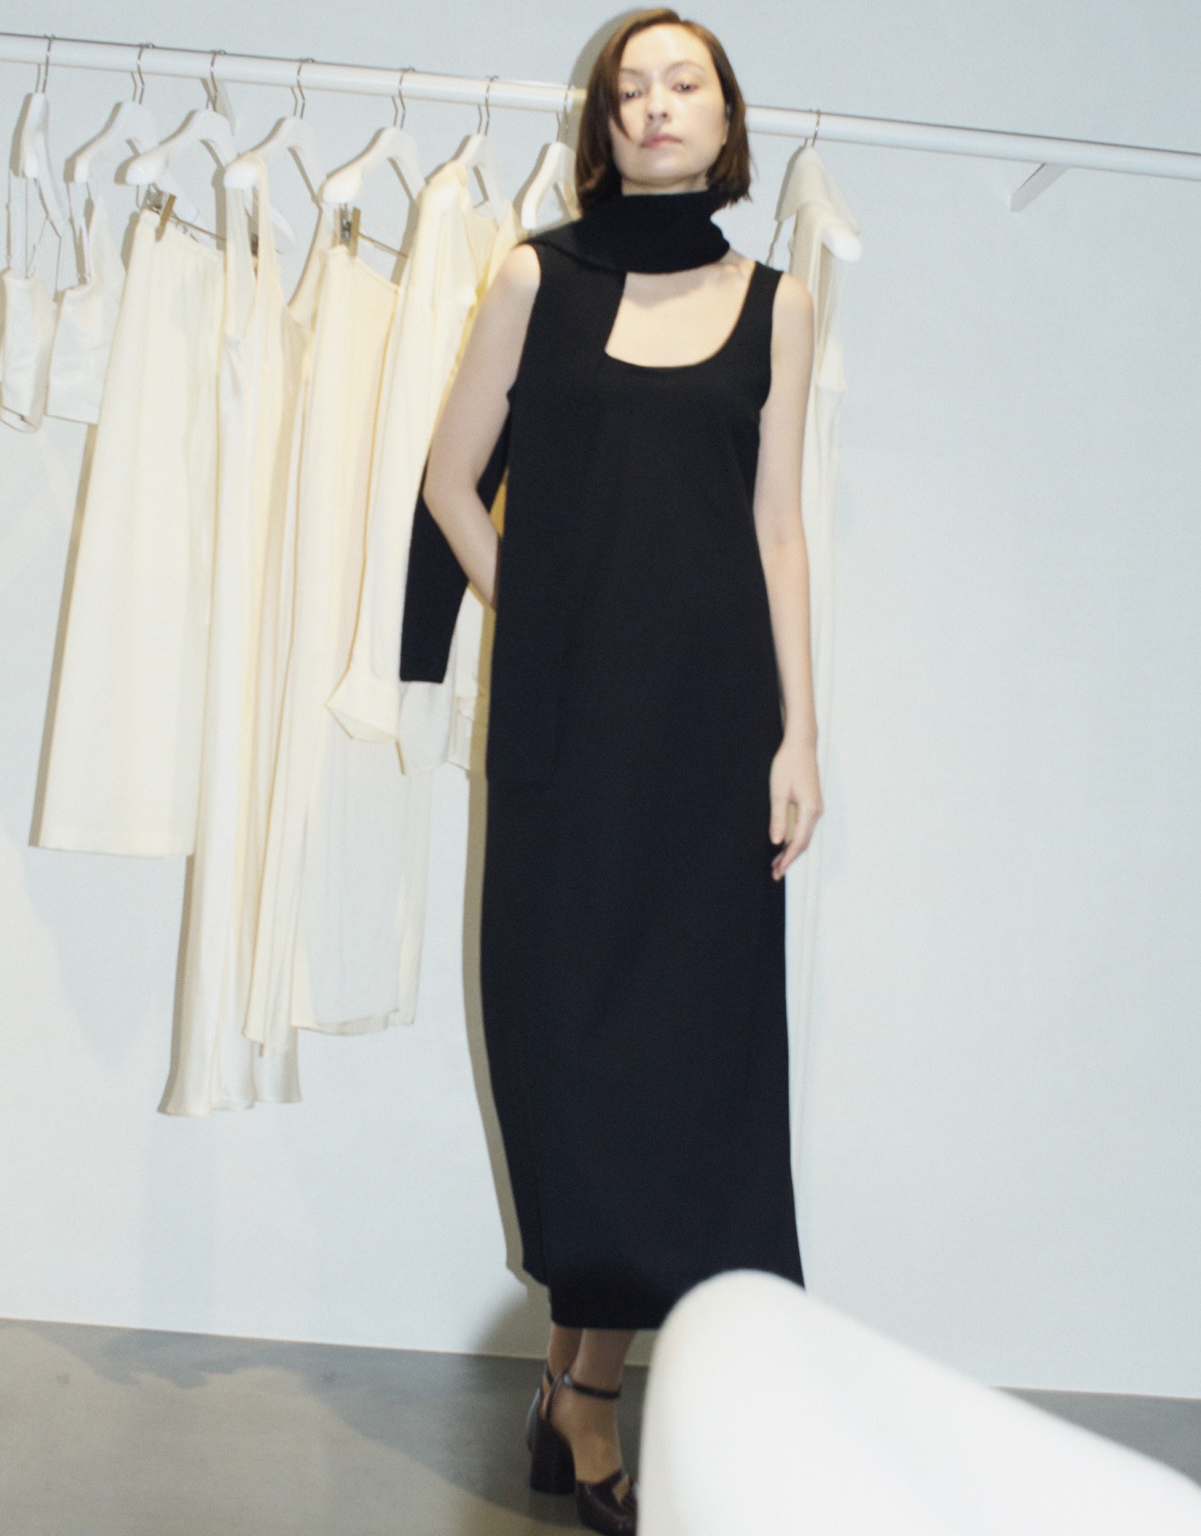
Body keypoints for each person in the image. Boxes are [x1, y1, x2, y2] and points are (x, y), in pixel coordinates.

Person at [406, 10, 821, 1532]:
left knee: (689, 1065)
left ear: (725, 121)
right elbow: (450, 482)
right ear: (602, 125)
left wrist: (802, 734)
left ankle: (582, 1391)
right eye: (629, 87)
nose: (655, 106)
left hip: (713, 732)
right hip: (570, 728)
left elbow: (776, 526)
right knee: (570, 1052)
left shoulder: (779, 304)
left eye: (682, 84)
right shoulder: (540, 276)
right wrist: (534, 605)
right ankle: (582, 1391)